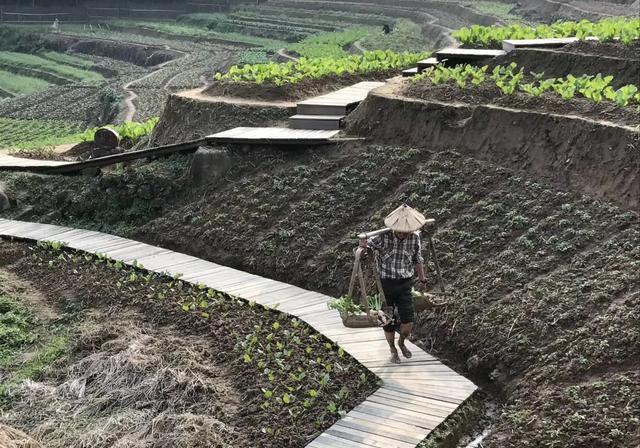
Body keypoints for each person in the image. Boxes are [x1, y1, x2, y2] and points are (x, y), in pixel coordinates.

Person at [359, 204, 427, 364]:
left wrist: (422, 279)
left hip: (405, 283)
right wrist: (363, 246)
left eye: (406, 230)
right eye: (400, 230)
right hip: (385, 284)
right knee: (387, 320)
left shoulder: (414, 239)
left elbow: (417, 260)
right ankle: (392, 349)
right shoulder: (382, 238)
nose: (403, 233)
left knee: (408, 320)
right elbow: (364, 251)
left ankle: (401, 342)